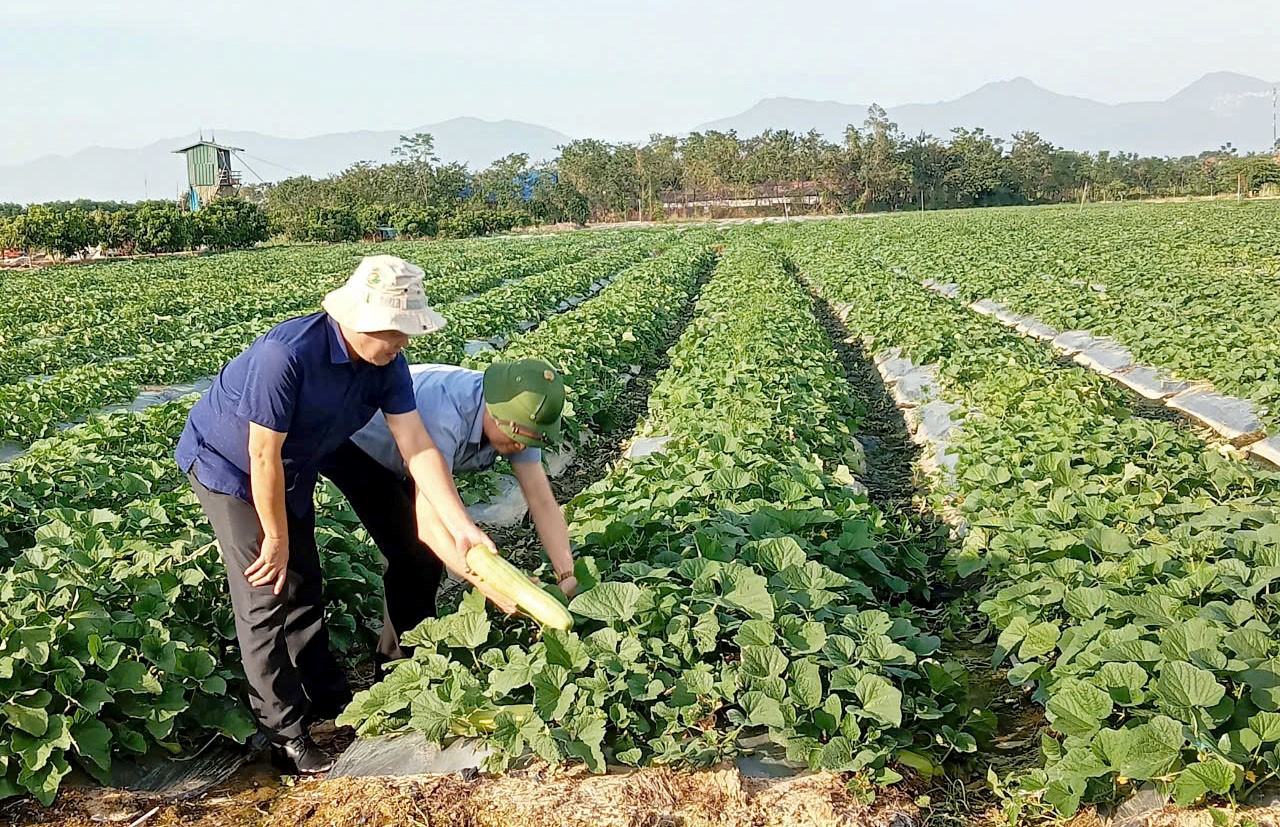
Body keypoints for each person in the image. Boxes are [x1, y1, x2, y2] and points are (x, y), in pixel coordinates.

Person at [175, 255, 504, 775]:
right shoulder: (286, 356)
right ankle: (284, 734)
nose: (403, 343)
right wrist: (275, 536)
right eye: (396, 331)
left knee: (304, 582)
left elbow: (416, 445)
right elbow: (261, 456)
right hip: (232, 469)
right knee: (265, 592)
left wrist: (463, 527)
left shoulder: (386, 364)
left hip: (294, 464)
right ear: (360, 320)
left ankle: (327, 702)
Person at [319, 358, 577, 668]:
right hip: (356, 441)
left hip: (410, 445)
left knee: (422, 559)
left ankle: (401, 653)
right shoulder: (444, 416)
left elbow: (542, 501)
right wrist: (489, 584)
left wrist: (567, 572)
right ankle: (404, 667)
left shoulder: (522, 420)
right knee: (413, 553)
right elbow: (429, 527)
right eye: (515, 440)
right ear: (495, 415)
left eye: (527, 442)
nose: (520, 448)